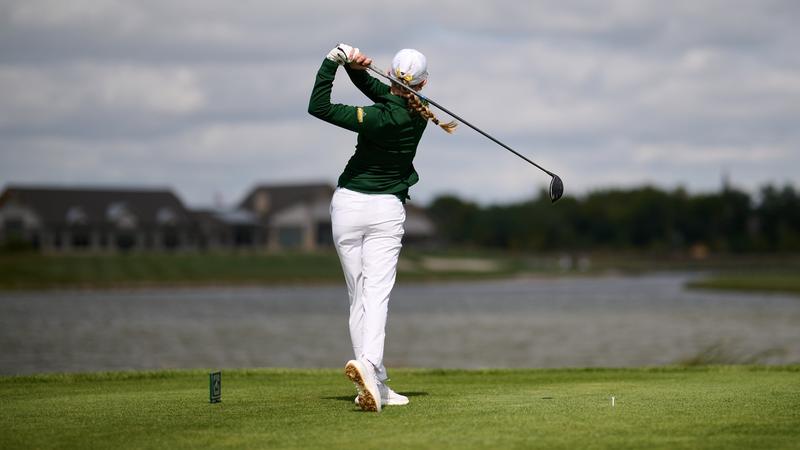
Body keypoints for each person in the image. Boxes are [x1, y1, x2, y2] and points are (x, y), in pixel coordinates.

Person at [308, 44, 455, 412]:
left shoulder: (375, 117)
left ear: (390, 75)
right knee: (376, 295)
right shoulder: (420, 112)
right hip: (386, 210)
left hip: (347, 207)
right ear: (423, 83)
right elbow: (386, 94)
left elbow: (319, 107)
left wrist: (333, 62)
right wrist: (355, 69)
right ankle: (371, 368)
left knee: (358, 295)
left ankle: (373, 380)